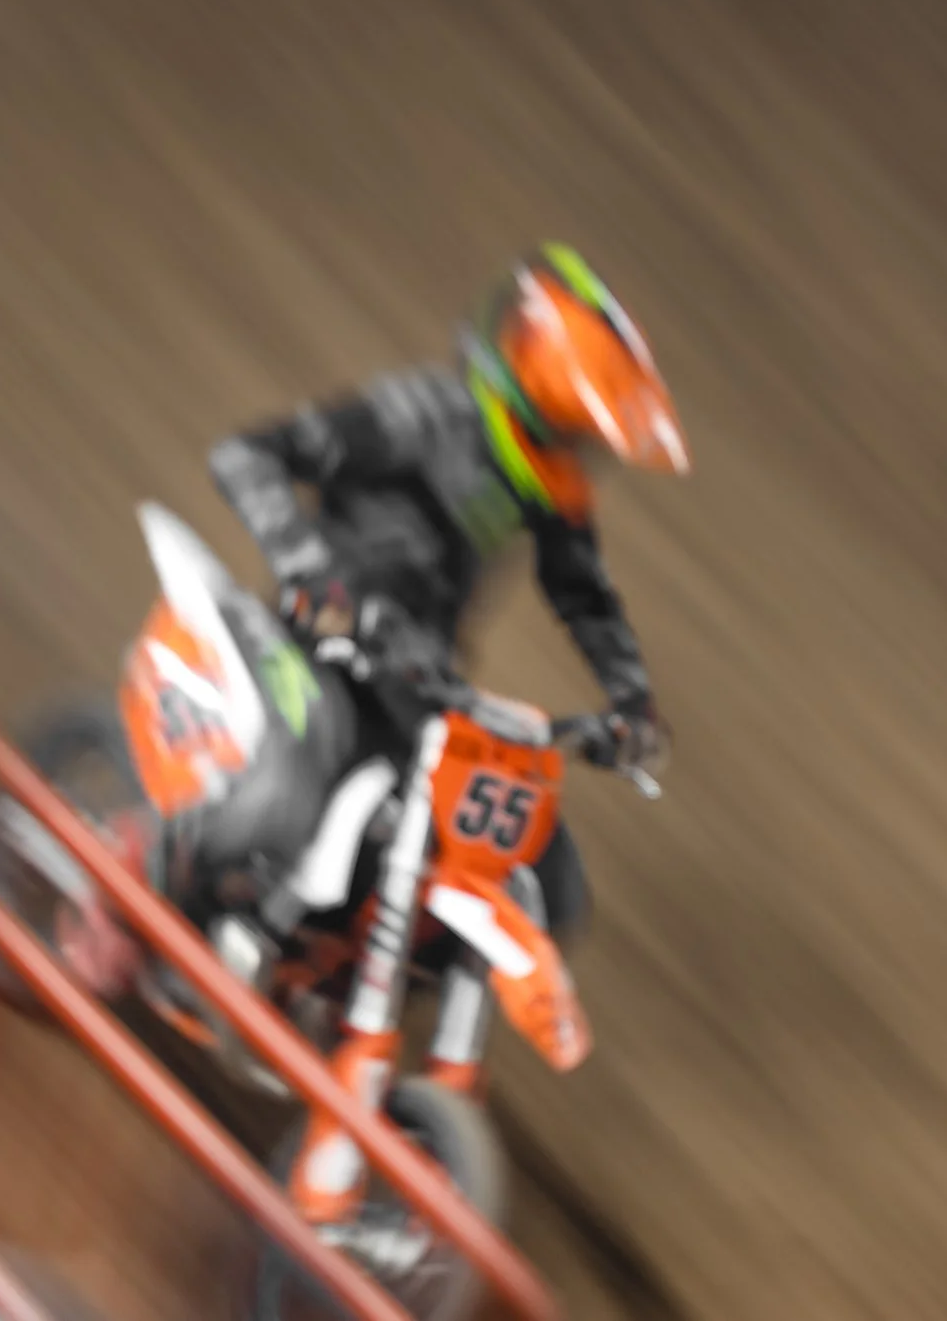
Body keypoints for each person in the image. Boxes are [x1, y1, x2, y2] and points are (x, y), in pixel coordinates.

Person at [199, 241, 688, 982]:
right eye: (572, 431)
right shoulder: (424, 415)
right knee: (297, 786)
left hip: (419, 684)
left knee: (539, 871)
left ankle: (332, 984)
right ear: (531, 394)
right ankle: (140, 876)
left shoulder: (544, 486)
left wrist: (631, 699)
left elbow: (584, 593)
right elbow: (250, 454)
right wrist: (307, 569)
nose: (579, 454)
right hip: (319, 642)